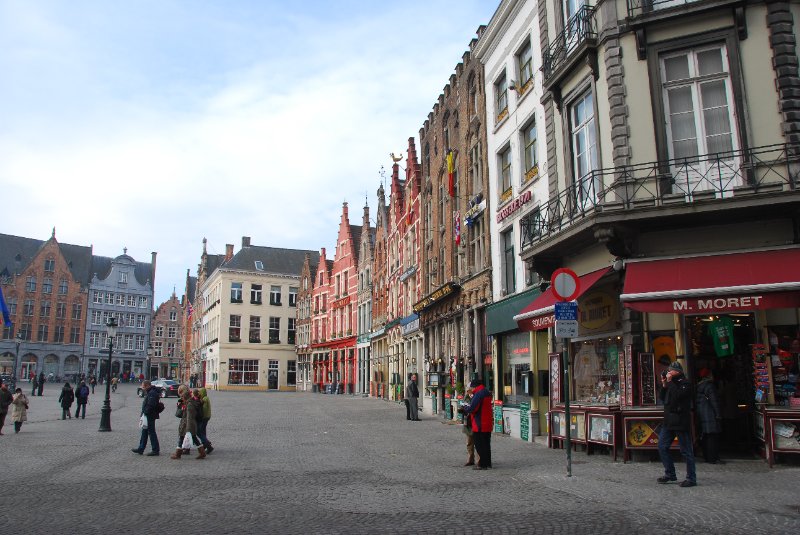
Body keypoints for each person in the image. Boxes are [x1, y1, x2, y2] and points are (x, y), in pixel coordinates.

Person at [657, 361, 696, 487]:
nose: (668, 372)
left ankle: (691, 478)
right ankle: (670, 473)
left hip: (680, 421)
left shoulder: (685, 383)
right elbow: (663, 398)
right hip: (668, 421)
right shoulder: (670, 384)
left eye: (671, 370)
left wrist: (669, 382)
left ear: (678, 372)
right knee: (662, 446)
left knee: (686, 451)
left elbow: (678, 396)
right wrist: (664, 384)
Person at [460, 378, 493, 470]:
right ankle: (488, 463)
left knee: (479, 444)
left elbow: (473, 408)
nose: (472, 389)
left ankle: (482, 464)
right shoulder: (486, 392)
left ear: (475, 386)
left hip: (479, 423)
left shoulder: (478, 394)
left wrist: (464, 410)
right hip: (487, 423)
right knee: (486, 444)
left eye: (472, 387)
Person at [696, 368, 723, 464]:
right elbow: (714, 401)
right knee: (712, 437)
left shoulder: (699, 386)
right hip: (710, 414)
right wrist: (718, 414)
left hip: (702, 414)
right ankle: (712, 458)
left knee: (706, 436)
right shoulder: (710, 386)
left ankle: (707, 456)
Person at [171, 386, 205, 459]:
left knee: (182, 438)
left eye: (183, 397)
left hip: (188, 425)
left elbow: (189, 418)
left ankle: (178, 454)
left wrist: (188, 429)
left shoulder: (190, 405)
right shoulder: (188, 403)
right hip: (187, 424)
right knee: (194, 439)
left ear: (185, 397)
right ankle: (202, 452)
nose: (182, 398)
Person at [132, 380, 161, 456]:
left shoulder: (152, 393)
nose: (143, 388)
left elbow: (151, 405)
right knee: (144, 432)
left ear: (148, 385)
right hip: (148, 415)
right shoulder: (150, 392)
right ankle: (141, 448)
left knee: (151, 432)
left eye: (143, 386)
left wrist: (145, 412)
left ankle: (155, 449)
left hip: (150, 415)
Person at [460, 385, 478, 466]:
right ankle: (470, 459)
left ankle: (479, 460)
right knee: (469, 442)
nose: (469, 391)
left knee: (478, 442)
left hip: (476, 420)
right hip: (468, 421)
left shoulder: (477, 396)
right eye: (468, 390)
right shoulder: (466, 397)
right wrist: (462, 409)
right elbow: (463, 405)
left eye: (470, 389)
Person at [196, 387, 213, 454]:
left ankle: (207, 444)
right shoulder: (205, 398)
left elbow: (204, 409)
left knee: (199, 432)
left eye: (200, 392)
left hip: (204, 417)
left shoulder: (204, 399)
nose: (199, 394)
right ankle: (205, 444)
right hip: (206, 417)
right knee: (202, 431)